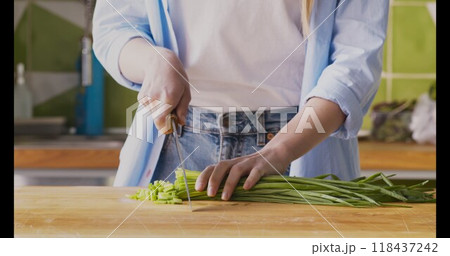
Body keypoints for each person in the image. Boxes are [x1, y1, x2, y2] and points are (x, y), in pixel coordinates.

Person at [93, 0, 389, 201]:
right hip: (174, 144)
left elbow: (355, 63)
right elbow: (114, 28)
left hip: (295, 150)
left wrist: (279, 151)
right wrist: (155, 62)